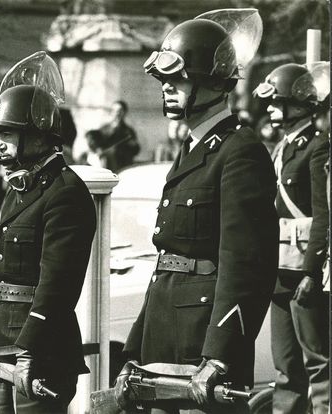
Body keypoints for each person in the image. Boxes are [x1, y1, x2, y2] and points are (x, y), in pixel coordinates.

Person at [115, 10, 279, 414]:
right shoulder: (192, 149)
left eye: (178, 78)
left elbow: (246, 265)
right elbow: (167, 263)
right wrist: (135, 346)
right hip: (162, 332)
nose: (166, 88)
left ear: (210, 81)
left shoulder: (240, 152)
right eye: (164, 80)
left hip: (202, 343)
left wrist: (220, 355)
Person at [0, 51, 97, 414]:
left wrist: (28, 348)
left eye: (8, 134)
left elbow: (58, 284)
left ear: (38, 137)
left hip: (40, 353)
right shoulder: (20, 190)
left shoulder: (64, 192)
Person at [254, 62, 330, 414]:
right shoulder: (283, 147)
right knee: (285, 364)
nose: (269, 110)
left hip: (303, 271)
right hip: (280, 268)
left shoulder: (318, 148)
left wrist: (313, 272)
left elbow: (323, 214)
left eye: (276, 102)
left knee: (317, 361)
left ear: (298, 104)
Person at [92, 100, 140, 172]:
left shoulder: (128, 131)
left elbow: (136, 150)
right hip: (106, 166)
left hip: (123, 166)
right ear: (111, 112)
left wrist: (133, 145)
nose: (117, 113)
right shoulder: (104, 129)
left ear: (124, 112)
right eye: (114, 110)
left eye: (120, 110)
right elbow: (95, 144)